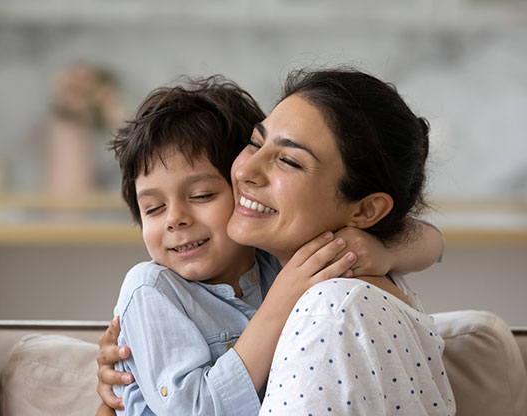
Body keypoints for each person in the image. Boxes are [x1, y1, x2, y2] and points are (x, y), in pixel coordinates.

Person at [97, 70, 450, 415]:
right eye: (255, 143)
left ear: (367, 210)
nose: (247, 172)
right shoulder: (156, 288)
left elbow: (431, 241)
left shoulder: (320, 294)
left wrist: (383, 248)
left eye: (289, 160)